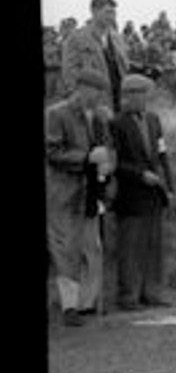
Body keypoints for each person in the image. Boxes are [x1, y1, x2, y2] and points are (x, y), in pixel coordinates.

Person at [46, 69, 115, 326]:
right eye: (97, 91)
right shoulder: (56, 113)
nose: (100, 96)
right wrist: (86, 158)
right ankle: (69, 308)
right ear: (83, 88)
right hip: (64, 193)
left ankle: (87, 303)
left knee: (92, 248)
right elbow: (52, 152)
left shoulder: (99, 117)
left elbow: (106, 148)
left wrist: (107, 164)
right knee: (65, 249)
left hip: (90, 192)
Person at [110, 74, 175, 310]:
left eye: (147, 94)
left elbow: (162, 154)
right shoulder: (117, 124)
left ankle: (152, 292)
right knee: (131, 247)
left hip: (154, 193)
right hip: (131, 194)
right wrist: (139, 175)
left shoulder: (154, 120)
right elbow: (114, 162)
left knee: (153, 246)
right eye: (142, 94)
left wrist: (169, 186)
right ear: (129, 96)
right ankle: (128, 296)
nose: (146, 99)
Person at [61, 0, 131, 113]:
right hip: (94, 101)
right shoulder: (76, 38)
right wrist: (79, 98)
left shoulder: (117, 37)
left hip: (119, 98)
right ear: (94, 11)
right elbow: (70, 71)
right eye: (107, 12)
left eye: (114, 13)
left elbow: (124, 66)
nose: (112, 17)